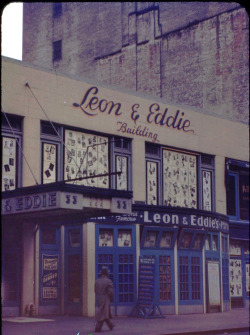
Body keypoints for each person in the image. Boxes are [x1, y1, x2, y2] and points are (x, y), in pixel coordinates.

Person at [94, 266, 115, 333]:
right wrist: (111, 298)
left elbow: (95, 290)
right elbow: (110, 292)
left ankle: (111, 325)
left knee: (104, 313)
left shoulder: (97, 281)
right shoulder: (108, 281)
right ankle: (98, 328)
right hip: (105, 299)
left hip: (99, 298)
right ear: (107, 273)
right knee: (102, 314)